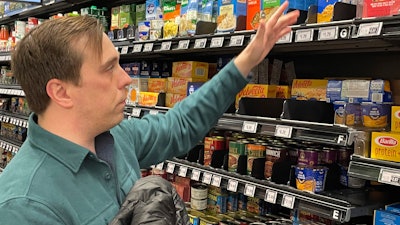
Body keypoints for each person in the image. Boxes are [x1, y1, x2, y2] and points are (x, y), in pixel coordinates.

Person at [0, 2, 298, 224]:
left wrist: (247, 60)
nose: (126, 79)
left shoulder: (115, 137)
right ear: (61, 92)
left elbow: (179, 124)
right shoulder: (25, 204)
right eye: (108, 68)